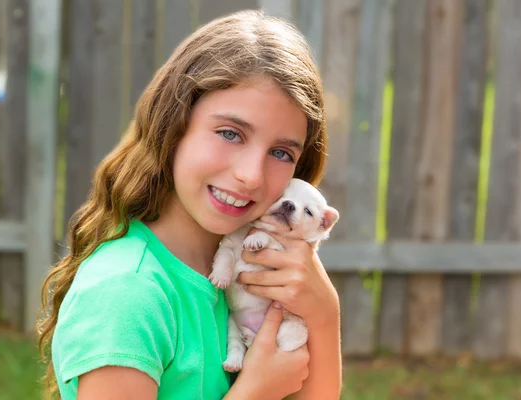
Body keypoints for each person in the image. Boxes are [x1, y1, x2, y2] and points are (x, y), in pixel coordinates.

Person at [37, 9, 342, 400]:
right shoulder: (128, 294)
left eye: (281, 153)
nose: (251, 175)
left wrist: (324, 312)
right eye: (230, 133)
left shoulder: (259, 269)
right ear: (173, 124)